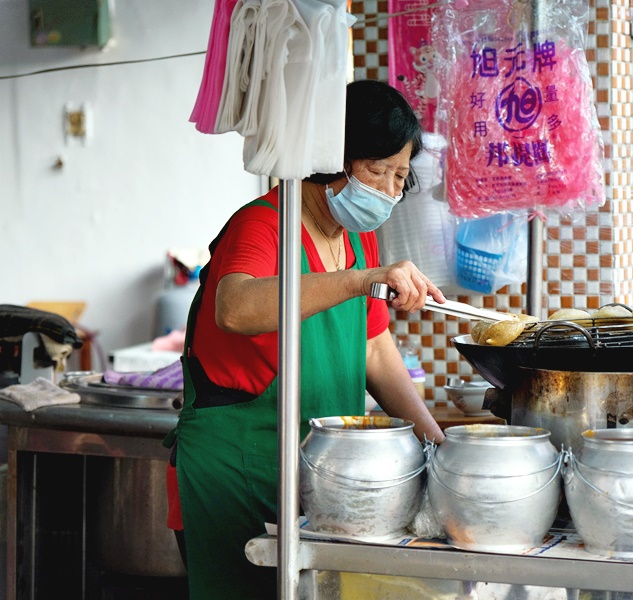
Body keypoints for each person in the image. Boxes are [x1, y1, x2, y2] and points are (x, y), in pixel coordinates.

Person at [164, 79, 447, 599]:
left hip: (316, 472)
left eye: (399, 176)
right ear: (331, 160)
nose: (387, 190)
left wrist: (436, 443)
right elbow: (234, 308)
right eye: (375, 170)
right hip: (240, 470)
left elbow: (373, 348)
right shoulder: (262, 225)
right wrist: (360, 280)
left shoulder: (357, 236)